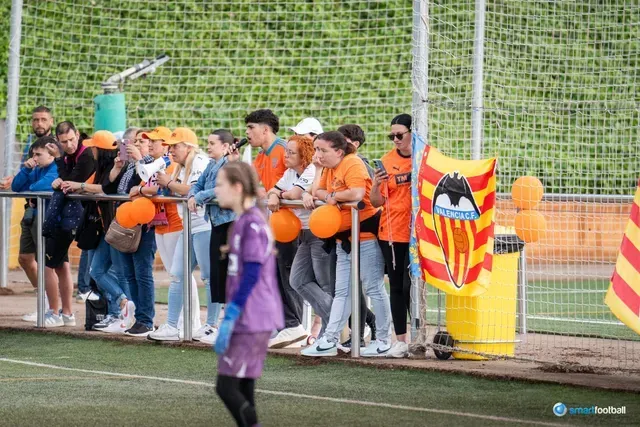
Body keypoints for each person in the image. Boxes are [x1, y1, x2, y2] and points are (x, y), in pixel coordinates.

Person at [301, 131, 392, 357]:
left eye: (322, 150)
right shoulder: (329, 168)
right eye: (317, 149)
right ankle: (330, 339)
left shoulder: (353, 163)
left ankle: (383, 339)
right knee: (342, 291)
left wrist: (334, 195)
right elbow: (318, 191)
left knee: (373, 287)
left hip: (366, 237)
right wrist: (332, 194)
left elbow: (358, 193)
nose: (318, 154)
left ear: (339, 151)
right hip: (343, 239)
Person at [213, 161, 283, 427]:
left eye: (220, 185)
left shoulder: (252, 224)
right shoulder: (244, 221)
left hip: (252, 316)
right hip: (251, 315)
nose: (216, 190)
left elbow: (252, 273)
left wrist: (232, 313)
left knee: (226, 386)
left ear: (237, 187)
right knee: (243, 387)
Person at [148, 127, 218, 342]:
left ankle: (212, 326)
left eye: (175, 145)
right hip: (188, 225)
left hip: (204, 225)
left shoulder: (199, 161)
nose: (171, 150)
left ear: (188, 146)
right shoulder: (178, 165)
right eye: (169, 146)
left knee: (208, 277)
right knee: (177, 274)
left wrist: (168, 183)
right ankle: (171, 325)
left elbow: (192, 191)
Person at [61, 130, 134, 334]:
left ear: (100, 150)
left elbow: (105, 188)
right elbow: (93, 186)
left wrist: (81, 186)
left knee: (119, 273)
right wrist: (75, 186)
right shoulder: (101, 167)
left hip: (117, 228)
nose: (90, 149)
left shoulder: (117, 166)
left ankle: (124, 313)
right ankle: (122, 304)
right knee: (97, 271)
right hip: (104, 229)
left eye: (94, 146)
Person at [245, 109, 306, 347]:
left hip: (292, 224)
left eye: (251, 127)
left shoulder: (283, 150)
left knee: (289, 274)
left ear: (265, 129)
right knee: (275, 274)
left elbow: (298, 180)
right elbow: (263, 188)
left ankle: (294, 326)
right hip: (275, 224)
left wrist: (277, 194)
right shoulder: (260, 157)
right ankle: (285, 325)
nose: (247, 133)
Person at [267, 135, 336, 345]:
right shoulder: (290, 172)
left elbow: (294, 192)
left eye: (291, 152)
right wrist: (274, 194)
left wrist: (281, 195)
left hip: (320, 232)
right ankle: (335, 321)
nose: (285, 155)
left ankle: (331, 329)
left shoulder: (311, 170)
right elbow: (275, 190)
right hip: (304, 233)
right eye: (286, 151)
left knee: (325, 284)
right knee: (297, 280)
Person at [38, 121, 95, 327]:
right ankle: (67, 314)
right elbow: (65, 181)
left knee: (48, 266)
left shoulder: (87, 155)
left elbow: (72, 181)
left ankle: (55, 312)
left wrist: (60, 163)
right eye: (64, 142)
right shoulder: (68, 156)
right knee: (61, 266)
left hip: (75, 219)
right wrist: (59, 180)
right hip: (67, 218)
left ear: (78, 135)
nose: (69, 144)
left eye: (71, 139)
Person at [187, 129, 237, 344]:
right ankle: (218, 325)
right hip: (216, 222)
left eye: (212, 143)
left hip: (230, 223)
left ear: (225, 147)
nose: (208, 147)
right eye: (207, 143)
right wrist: (193, 194)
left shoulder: (229, 166)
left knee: (228, 274)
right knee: (218, 275)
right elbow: (198, 184)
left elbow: (221, 189)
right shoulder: (211, 164)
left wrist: (198, 197)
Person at [370, 113, 414, 358]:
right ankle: (400, 340)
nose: (395, 139)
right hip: (392, 233)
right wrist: (376, 184)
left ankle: (420, 335)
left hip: (419, 233)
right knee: (397, 286)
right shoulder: (386, 161)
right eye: (392, 135)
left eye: (400, 134)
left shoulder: (424, 157)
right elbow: (377, 202)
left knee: (413, 286)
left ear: (411, 133)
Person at [108, 127, 158, 337]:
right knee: (129, 274)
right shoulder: (129, 165)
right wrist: (117, 168)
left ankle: (146, 320)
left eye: (141, 142)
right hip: (126, 222)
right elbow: (115, 189)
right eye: (135, 142)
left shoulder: (153, 163)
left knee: (142, 272)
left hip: (144, 225)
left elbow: (149, 183)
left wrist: (141, 159)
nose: (136, 145)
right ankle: (140, 319)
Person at [8, 136, 59, 324]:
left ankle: (55, 310)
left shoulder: (56, 168)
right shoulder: (34, 168)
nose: (35, 158)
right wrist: (26, 169)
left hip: (48, 219)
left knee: (48, 264)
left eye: (39, 154)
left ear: (51, 154)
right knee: (25, 258)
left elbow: (39, 187)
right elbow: (16, 186)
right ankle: (43, 301)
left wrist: (28, 189)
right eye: (33, 154)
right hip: (31, 215)